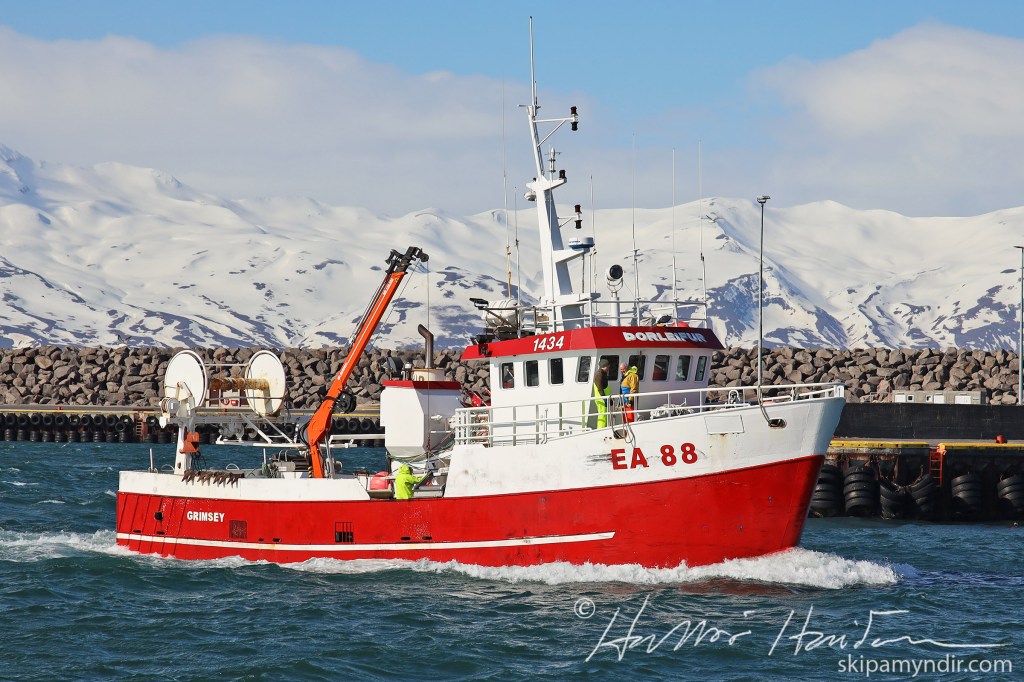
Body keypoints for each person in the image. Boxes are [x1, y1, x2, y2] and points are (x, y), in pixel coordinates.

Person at [592, 359, 610, 428]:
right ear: (604, 366)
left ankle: (602, 429)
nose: (608, 368)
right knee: (602, 415)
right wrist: (604, 398)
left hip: (603, 398)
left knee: (603, 415)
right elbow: (599, 388)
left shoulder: (602, 373)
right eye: (608, 366)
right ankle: (601, 430)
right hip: (601, 398)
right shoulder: (599, 374)